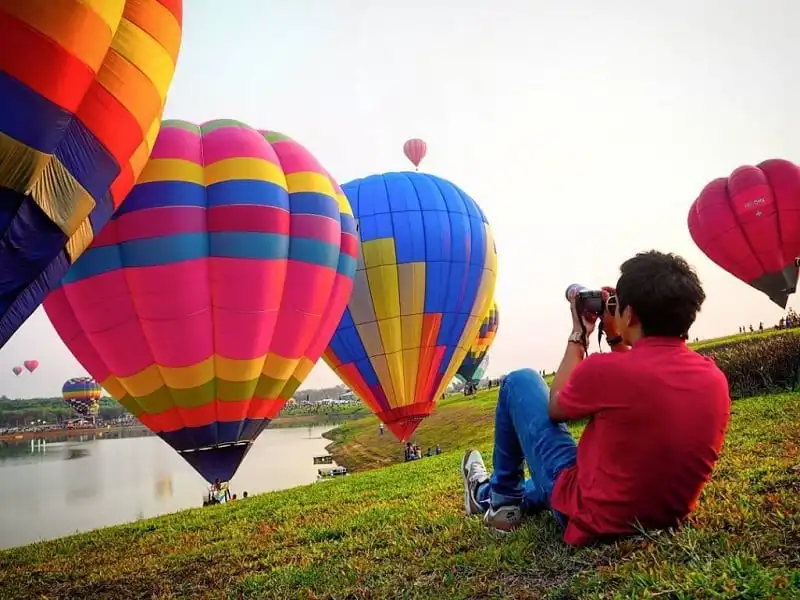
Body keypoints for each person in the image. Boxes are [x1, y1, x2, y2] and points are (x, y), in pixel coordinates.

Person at [460, 251, 731, 546]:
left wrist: (579, 333)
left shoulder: (604, 369)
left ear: (629, 314)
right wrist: (617, 338)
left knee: (520, 381)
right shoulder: (714, 378)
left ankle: (503, 501)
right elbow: (647, 379)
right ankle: (486, 493)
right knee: (555, 479)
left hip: (593, 516)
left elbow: (555, 407)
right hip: (663, 515)